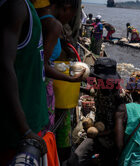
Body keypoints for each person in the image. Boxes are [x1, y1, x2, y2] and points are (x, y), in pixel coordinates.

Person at [35, 0, 84, 164]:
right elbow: (43, 66)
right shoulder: (54, 25)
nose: (71, 19)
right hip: (44, 87)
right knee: (47, 132)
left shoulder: (37, 17)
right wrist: (70, 78)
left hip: (35, 85)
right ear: (67, 7)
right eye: (73, 14)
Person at [0, 0, 48, 165]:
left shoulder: (26, 6)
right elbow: (4, 66)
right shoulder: (16, 5)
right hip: (17, 132)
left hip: (28, 125)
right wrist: (24, 129)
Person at [82, 57, 132, 165]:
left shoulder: (120, 98)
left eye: (97, 78)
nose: (95, 80)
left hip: (112, 140)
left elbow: (122, 128)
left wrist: (98, 134)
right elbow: (88, 85)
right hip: (97, 134)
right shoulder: (99, 87)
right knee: (74, 161)